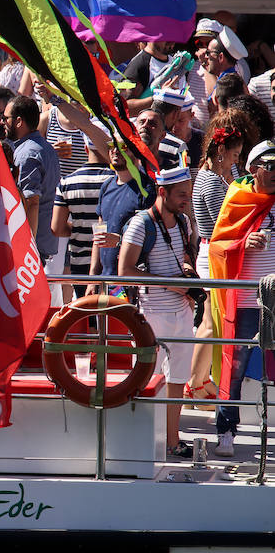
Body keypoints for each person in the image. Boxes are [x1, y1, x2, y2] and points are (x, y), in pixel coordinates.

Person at [119, 166, 197, 458]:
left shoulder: (184, 222)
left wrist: (187, 274)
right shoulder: (141, 224)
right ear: (161, 192)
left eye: (188, 194)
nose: (186, 200)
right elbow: (123, 271)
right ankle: (138, 441)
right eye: (181, 195)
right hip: (151, 315)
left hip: (182, 313)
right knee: (144, 379)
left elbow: (187, 256)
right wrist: (173, 286)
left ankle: (172, 441)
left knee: (177, 380)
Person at [209, 139, 275, 457]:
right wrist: (242, 244)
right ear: (253, 169)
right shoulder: (239, 198)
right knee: (233, 367)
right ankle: (226, 431)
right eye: (271, 166)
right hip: (248, 302)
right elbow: (217, 246)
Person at [187, 111, 247, 407]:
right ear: (221, 151)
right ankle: (194, 384)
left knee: (210, 321)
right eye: (234, 154)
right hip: (212, 255)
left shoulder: (215, 176)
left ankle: (198, 383)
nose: (237, 161)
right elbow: (223, 221)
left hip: (214, 254)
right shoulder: (209, 182)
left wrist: (232, 171)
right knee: (209, 323)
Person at [52, 128, 115, 298]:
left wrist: (79, 227)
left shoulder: (67, 182)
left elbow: (57, 228)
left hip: (79, 262)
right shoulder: (116, 181)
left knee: (87, 316)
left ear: (86, 149)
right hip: (110, 261)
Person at [3, 95, 60, 262]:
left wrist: (26, 249)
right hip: (41, 245)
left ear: (19, 121)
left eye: (6, 118)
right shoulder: (44, 147)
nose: (2, 122)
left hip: (30, 251)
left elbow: (32, 202)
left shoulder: (27, 155)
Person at [90, 142, 156, 281]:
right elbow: (99, 236)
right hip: (105, 280)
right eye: (111, 145)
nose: (115, 150)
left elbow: (152, 237)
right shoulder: (106, 186)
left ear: (136, 151)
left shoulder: (146, 188)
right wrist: (93, 278)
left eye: (122, 146)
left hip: (132, 281)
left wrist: (120, 240)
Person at [122, 41, 177, 113]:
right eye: (165, 37)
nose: (170, 43)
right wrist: (159, 97)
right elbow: (125, 107)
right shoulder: (139, 64)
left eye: (172, 36)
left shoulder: (176, 61)